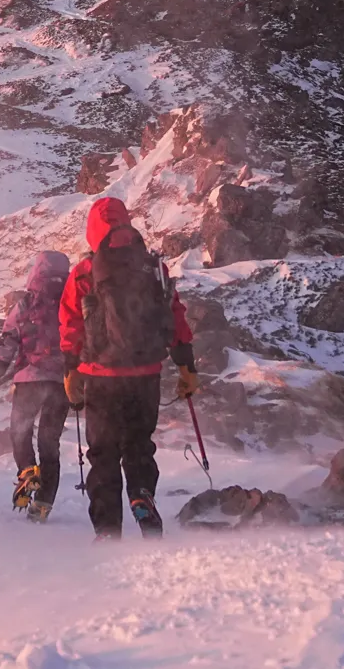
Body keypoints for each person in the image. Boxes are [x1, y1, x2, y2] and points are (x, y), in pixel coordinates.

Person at [59, 197, 197, 539]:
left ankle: (107, 530)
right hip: (146, 374)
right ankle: (142, 495)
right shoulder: (153, 268)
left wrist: (70, 368)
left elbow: (70, 323)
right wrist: (186, 367)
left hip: (100, 377)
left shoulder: (84, 273)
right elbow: (175, 315)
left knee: (103, 453)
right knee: (138, 445)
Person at [0, 250, 72, 522]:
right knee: (50, 443)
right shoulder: (71, 302)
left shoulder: (25, 304)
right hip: (62, 383)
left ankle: (27, 471)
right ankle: (43, 503)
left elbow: (8, 342)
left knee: (20, 431)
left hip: (28, 381)